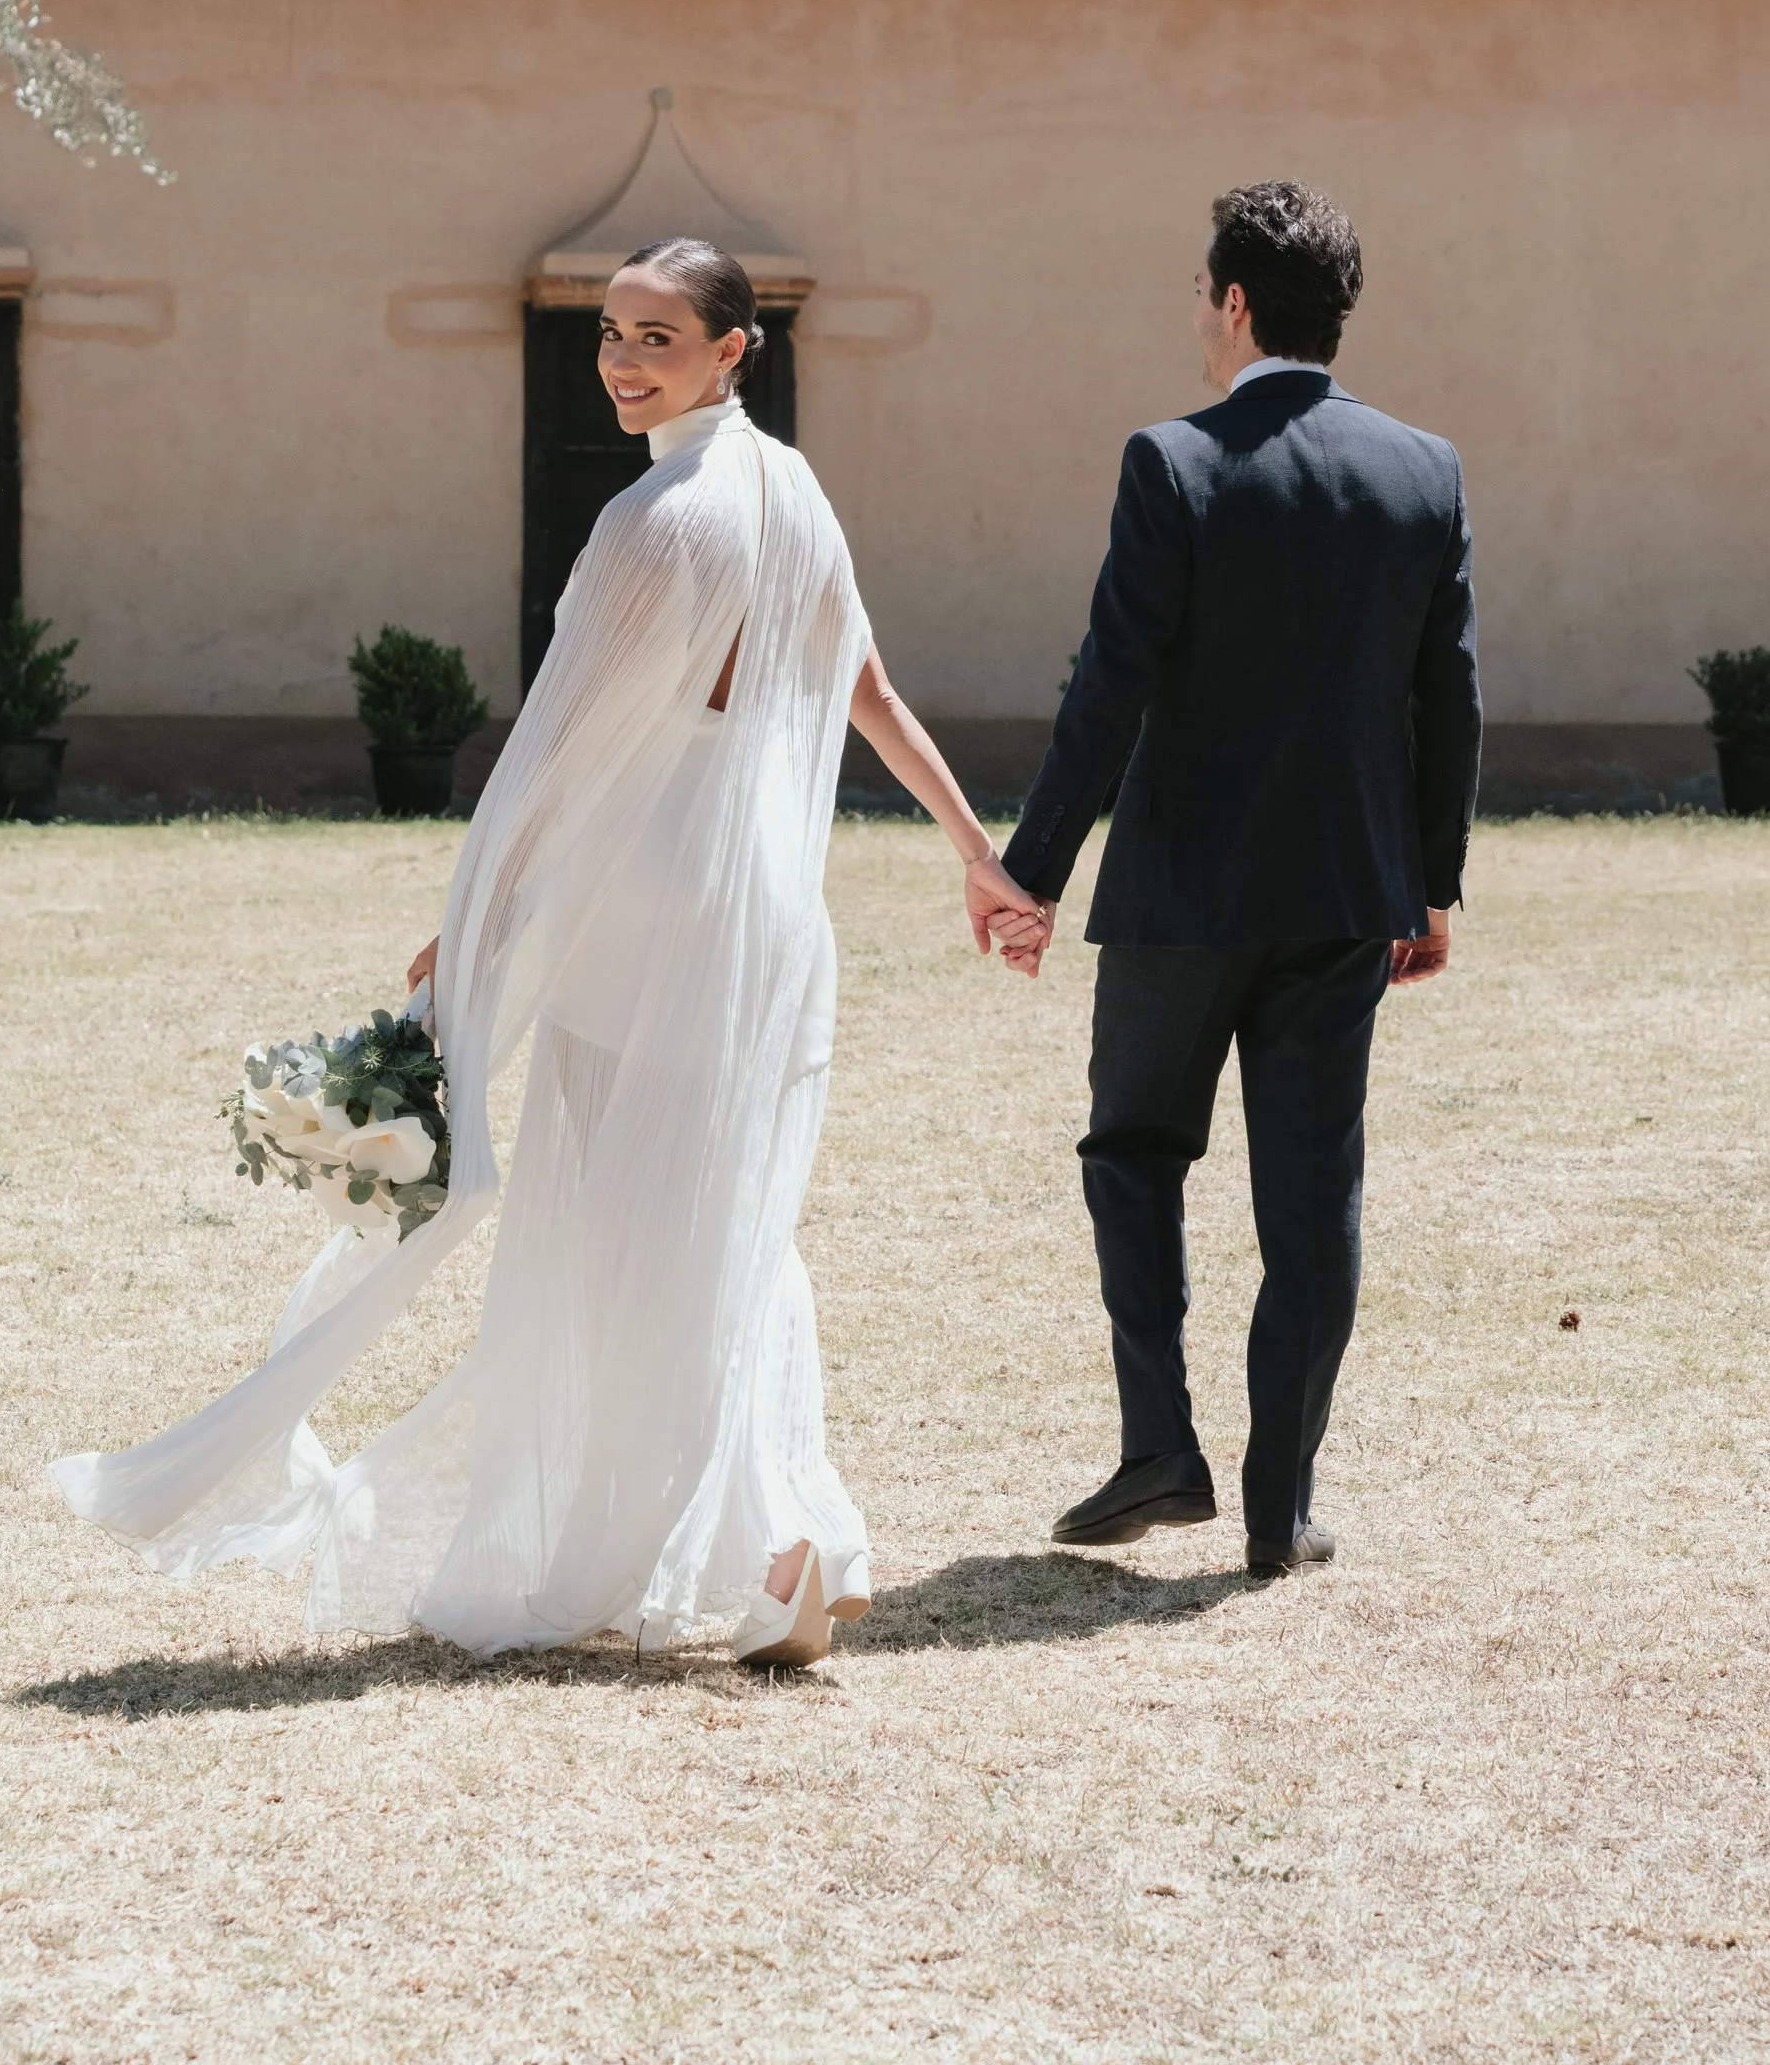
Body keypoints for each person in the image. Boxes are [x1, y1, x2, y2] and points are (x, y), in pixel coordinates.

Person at [54, 238, 1045, 1667]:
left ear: (731, 351)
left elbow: (557, 762)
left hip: (649, 908)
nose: (625, 361)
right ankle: (783, 1532)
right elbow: (870, 693)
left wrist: (470, 923)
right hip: (767, 909)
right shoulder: (797, 495)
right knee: (730, 1219)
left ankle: (735, 1538)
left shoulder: (656, 519)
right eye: (610, 333)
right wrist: (974, 850)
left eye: (658, 337)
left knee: (625, 1231)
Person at [996, 182, 1481, 1577]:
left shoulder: (1174, 462)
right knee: (1312, 1197)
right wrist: (1430, 883)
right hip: (1345, 897)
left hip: (1178, 893)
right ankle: (1281, 1512)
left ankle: (1162, 1445)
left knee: (1136, 1153)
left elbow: (1112, 686)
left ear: (1236, 304)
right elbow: (1447, 700)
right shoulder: (1423, 472)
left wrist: (1031, 870)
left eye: (1200, 296)